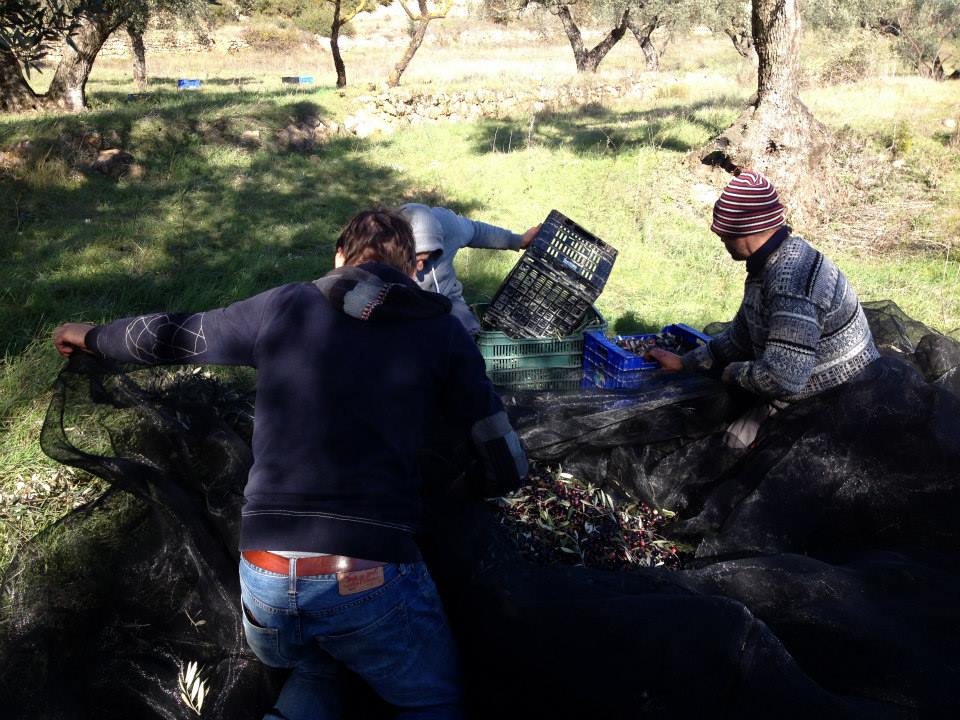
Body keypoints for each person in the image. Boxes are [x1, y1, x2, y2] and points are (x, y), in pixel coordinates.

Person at [52, 209, 528, 720]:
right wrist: (499, 478)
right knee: (433, 699)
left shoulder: (285, 304)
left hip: (265, 586)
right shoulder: (441, 329)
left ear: (339, 258)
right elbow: (498, 447)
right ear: (412, 268)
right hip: (365, 579)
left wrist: (91, 334)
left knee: (318, 663)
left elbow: (174, 335)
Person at [647, 170, 879, 448]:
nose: (719, 238)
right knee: (722, 431)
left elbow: (784, 377)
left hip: (836, 401)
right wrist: (686, 363)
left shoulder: (791, 280)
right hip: (797, 387)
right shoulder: (766, 265)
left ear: (743, 230)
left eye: (723, 233)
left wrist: (734, 373)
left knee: (731, 448)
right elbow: (739, 339)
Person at [400, 203, 541, 335]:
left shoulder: (446, 224)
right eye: (415, 259)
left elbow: (476, 231)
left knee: (469, 338)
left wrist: (518, 240)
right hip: (406, 308)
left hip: (449, 300)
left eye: (426, 258)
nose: (419, 267)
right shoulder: (385, 245)